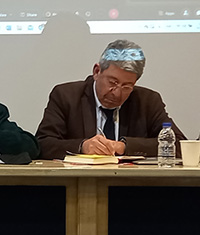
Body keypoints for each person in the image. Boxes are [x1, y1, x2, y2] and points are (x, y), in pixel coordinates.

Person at [35, 39, 182, 159]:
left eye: (127, 86)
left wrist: (124, 146)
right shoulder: (66, 95)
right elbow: (43, 144)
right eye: (112, 83)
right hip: (80, 183)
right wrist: (82, 146)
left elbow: (180, 144)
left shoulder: (148, 101)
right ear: (97, 71)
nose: (117, 93)